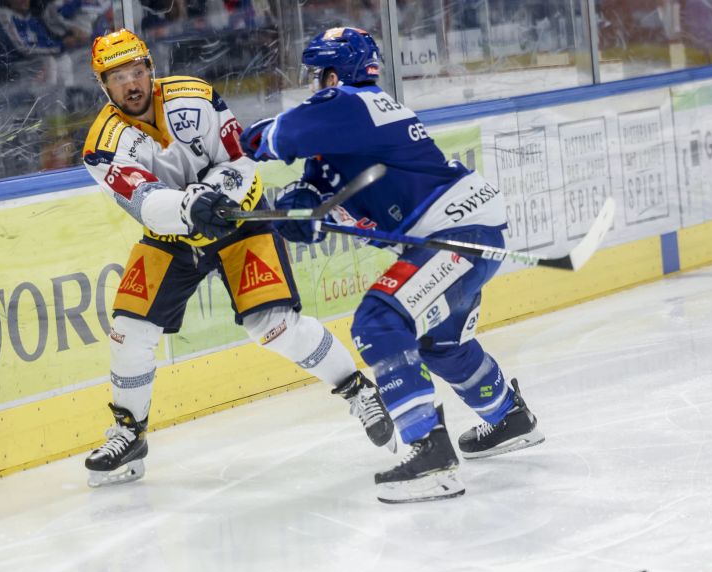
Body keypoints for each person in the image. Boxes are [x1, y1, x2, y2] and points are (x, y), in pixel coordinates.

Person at [239, 27, 545, 504]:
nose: (313, 83)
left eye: (318, 73)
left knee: (380, 320)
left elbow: (266, 140)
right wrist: (301, 215)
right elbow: (323, 195)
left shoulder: (350, 103)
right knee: (438, 344)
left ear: (336, 73)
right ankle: (509, 417)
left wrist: (242, 142)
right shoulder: (347, 129)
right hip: (469, 232)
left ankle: (430, 453)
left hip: (454, 236)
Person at [81, 28, 394, 487]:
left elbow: (241, 159)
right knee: (129, 330)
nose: (131, 83)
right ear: (103, 86)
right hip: (172, 236)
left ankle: (356, 389)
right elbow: (143, 200)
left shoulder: (196, 96)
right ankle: (129, 433)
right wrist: (189, 207)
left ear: (151, 69)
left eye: (136, 71)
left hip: (239, 221)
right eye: (117, 77)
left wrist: (215, 192)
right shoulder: (101, 143)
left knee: (273, 326)